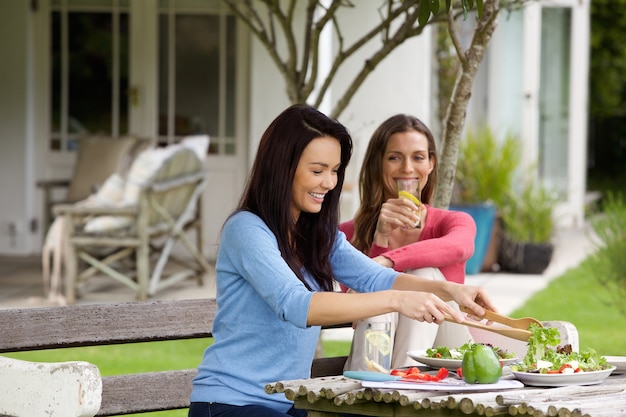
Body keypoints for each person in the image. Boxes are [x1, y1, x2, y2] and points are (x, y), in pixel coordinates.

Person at [188, 104, 496, 417]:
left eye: (334, 171)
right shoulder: (247, 230)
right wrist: (397, 300)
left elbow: (376, 278)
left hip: (289, 405)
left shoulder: (318, 235)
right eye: (318, 170)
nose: (329, 183)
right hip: (231, 404)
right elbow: (296, 305)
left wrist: (451, 292)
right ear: (282, 167)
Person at [341, 114, 477, 370]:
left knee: (422, 274)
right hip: (381, 355)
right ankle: (372, 383)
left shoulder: (453, 221)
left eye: (418, 157)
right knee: (379, 290)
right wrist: (379, 238)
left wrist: (386, 261)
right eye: (394, 157)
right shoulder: (348, 234)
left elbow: (460, 246)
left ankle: (400, 384)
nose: (407, 168)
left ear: (431, 164)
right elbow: (353, 305)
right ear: (378, 164)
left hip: (449, 349)